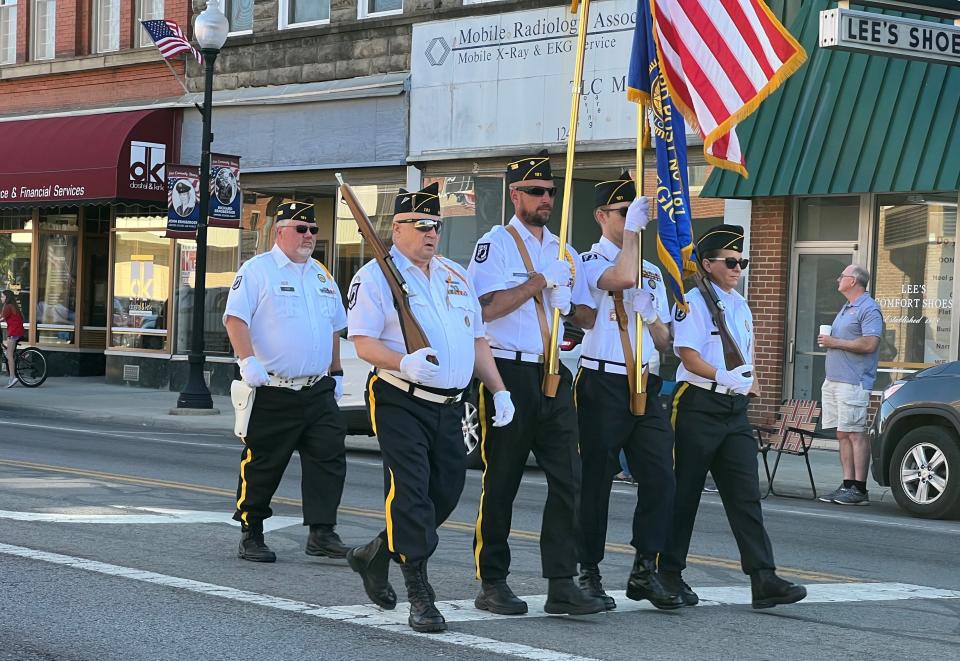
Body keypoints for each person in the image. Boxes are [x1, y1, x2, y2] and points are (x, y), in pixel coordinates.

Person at [345, 182, 515, 633]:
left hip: (450, 404)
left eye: (435, 225)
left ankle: (375, 554)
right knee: (412, 491)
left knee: (446, 492)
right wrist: (402, 361)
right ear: (396, 228)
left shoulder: (455, 275)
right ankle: (419, 593)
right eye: (420, 225)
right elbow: (362, 343)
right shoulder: (374, 276)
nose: (430, 233)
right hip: (400, 397)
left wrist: (498, 389)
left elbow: (477, 338)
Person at [467, 150, 606, 617]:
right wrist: (538, 283)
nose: (545, 198)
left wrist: (577, 300)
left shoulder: (563, 249)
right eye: (536, 191)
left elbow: (584, 317)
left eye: (550, 192)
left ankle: (561, 581)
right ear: (515, 195)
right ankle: (493, 580)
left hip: (553, 371)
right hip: (507, 371)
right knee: (502, 478)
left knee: (570, 478)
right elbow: (485, 307)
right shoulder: (495, 244)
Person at [660, 224, 807, 610]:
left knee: (746, 496)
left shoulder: (741, 306)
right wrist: (721, 375)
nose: (738, 267)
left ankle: (763, 577)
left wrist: (748, 380)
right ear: (707, 264)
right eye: (730, 261)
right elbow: (687, 354)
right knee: (684, 493)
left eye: (742, 261)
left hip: (733, 409)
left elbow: (745, 352)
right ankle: (668, 574)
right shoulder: (691, 301)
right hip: (697, 404)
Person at [574, 172, 682, 611]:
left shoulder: (653, 272)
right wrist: (634, 234)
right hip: (602, 381)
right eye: (623, 212)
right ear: (602, 216)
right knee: (596, 481)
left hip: (645, 379)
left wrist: (653, 315)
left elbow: (665, 342)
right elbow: (620, 277)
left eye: (635, 212)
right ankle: (588, 572)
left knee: (661, 478)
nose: (631, 217)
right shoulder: (588, 259)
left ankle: (643, 569)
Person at [223, 201, 349, 564]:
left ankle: (322, 533)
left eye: (313, 230)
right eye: (301, 229)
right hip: (274, 388)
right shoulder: (257, 270)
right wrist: (247, 360)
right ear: (280, 232)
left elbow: (334, 329)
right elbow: (235, 319)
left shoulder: (321, 275)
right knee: (264, 462)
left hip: (317, 388)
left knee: (329, 458)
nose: (309, 235)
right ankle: (252, 531)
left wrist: (337, 372)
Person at [817, 264, 883, 506]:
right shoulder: (847, 307)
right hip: (834, 380)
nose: (838, 279)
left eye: (842, 276)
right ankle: (847, 485)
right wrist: (832, 341)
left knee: (855, 434)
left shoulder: (868, 308)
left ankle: (860, 489)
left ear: (853, 281)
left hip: (853, 381)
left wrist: (835, 341)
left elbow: (869, 344)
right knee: (842, 433)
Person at [2, 290, 25, 388]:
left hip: (14, 332)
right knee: (10, 353)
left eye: (2, 297)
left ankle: (13, 377)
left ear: (7, 298)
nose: (1, 298)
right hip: (18, 331)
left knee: (8, 355)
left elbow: (1, 318)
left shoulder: (8, 306)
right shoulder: (13, 306)